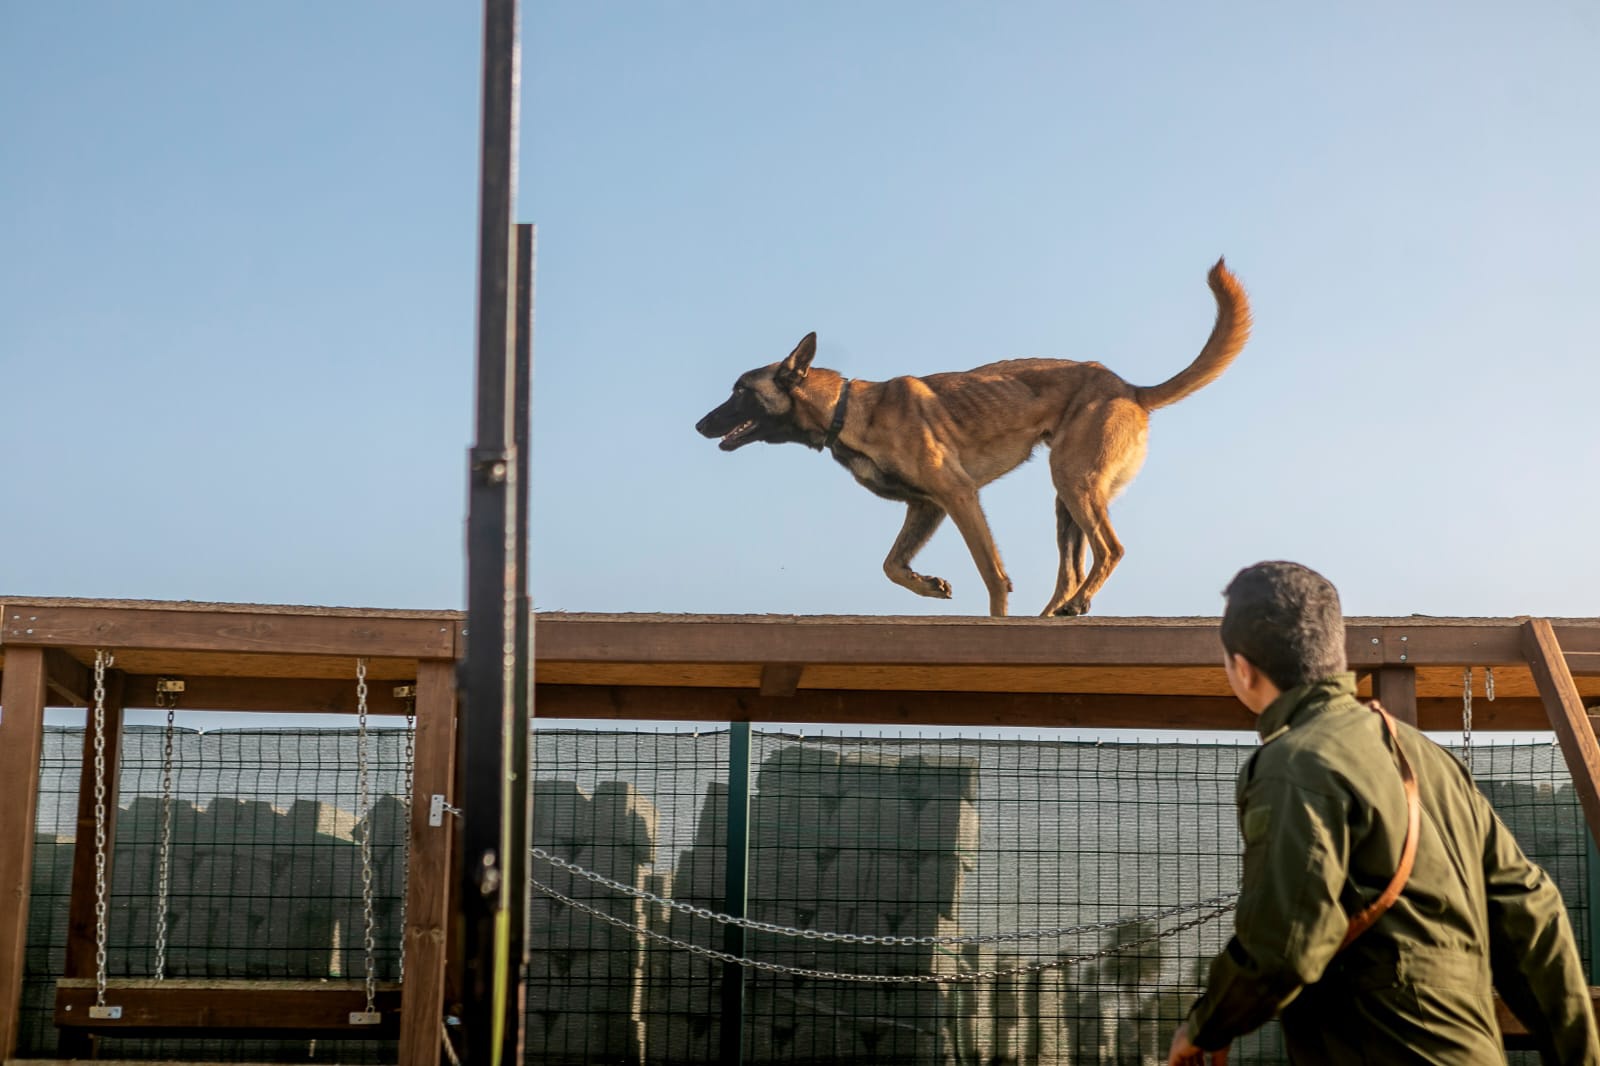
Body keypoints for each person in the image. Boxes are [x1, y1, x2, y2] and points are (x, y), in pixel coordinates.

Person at [1168, 561, 1599, 1065]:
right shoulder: (1431, 760)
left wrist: (1205, 1024)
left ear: (1242, 669)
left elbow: (1284, 943)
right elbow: (1532, 910)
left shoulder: (1292, 763)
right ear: (1334, 654)